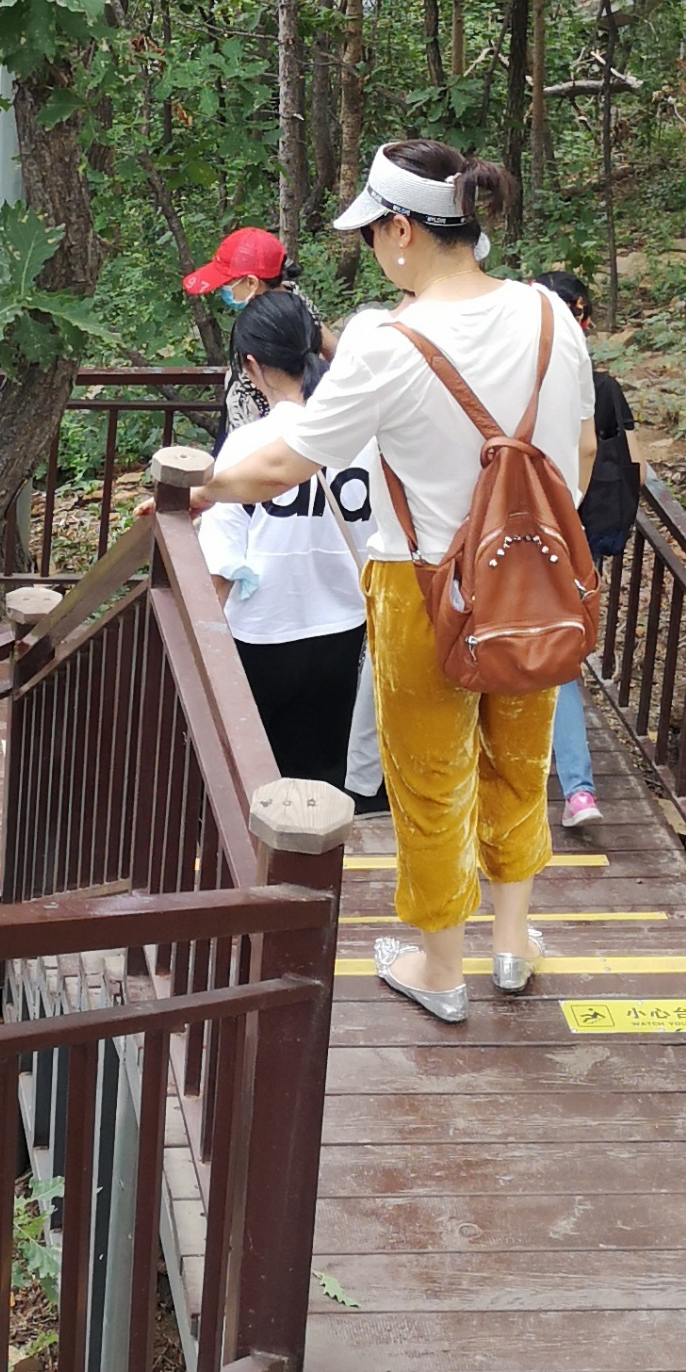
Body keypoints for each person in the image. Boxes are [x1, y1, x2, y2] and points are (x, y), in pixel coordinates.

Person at [198, 141, 595, 1028]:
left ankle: (439, 963)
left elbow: (284, 461)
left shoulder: (388, 339)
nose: (370, 250)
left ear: (404, 230)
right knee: (521, 761)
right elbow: (579, 450)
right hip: (535, 578)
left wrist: (200, 482)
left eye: (372, 233)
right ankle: (515, 943)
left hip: (423, 586)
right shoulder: (549, 317)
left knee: (429, 774)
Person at [195, 292, 373, 790]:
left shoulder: (251, 447)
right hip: (345, 629)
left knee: (249, 778)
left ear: (254, 366)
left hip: (261, 636)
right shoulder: (365, 439)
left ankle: (255, 869)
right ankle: (314, 865)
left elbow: (220, 567)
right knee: (321, 778)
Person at [537, 270, 637, 832]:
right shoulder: (602, 388)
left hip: (512, 538)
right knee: (562, 664)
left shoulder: (510, 379)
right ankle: (577, 790)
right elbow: (630, 468)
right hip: (573, 545)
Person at [181, 224, 331, 430]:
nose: (223, 290)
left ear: (252, 283)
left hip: (267, 440)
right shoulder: (297, 302)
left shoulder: (275, 326)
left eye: (228, 283)